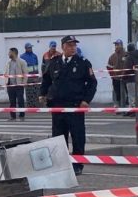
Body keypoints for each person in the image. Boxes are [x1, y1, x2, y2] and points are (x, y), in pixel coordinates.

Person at [39, 35, 97, 176]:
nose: (73, 48)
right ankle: (61, 164)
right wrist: (43, 94)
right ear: (63, 47)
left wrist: (86, 101)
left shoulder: (83, 63)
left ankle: (77, 164)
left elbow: (92, 83)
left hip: (75, 105)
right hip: (58, 106)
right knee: (58, 137)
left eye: (74, 45)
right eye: (70, 45)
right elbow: (46, 79)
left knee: (77, 136)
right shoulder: (54, 62)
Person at [4, 47, 29, 121]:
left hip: (19, 85)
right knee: (12, 101)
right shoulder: (8, 63)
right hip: (10, 85)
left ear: (14, 53)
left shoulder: (22, 62)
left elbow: (25, 73)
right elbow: (6, 73)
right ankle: (13, 116)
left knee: (20, 100)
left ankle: (22, 115)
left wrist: (23, 83)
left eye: (10, 52)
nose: (8, 54)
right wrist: (6, 82)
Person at [107, 39, 127, 107]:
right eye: (115, 45)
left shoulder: (126, 55)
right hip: (116, 79)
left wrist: (126, 74)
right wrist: (112, 76)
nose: (116, 46)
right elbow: (109, 67)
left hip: (125, 78)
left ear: (121, 45)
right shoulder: (112, 56)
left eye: (118, 44)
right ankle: (117, 106)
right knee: (116, 92)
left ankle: (125, 107)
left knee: (126, 92)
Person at [123, 43, 138, 110]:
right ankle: (136, 109)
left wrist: (123, 77)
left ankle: (133, 110)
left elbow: (127, 69)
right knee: (136, 94)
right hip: (137, 77)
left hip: (130, 78)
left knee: (131, 95)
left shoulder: (129, 57)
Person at [20, 42, 40, 107]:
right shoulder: (22, 57)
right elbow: (22, 68)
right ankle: (30, 106)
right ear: (26, 48)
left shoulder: (35, 56)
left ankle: (36, 105)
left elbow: (37, 65)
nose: (30, 48)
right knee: (29, 92)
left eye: (31, 47)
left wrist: (37, 75)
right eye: (29, 47)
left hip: (35, 76)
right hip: (28, 77)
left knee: (36, 91)